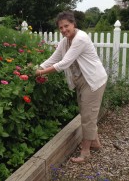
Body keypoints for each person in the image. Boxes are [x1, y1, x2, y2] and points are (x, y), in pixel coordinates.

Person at [35, 11, 107, 163]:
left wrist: (41, 72)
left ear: (74, 24)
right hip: (81, 80)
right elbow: (54, 58)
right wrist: (37, 67)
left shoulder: (80, 38)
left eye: (66, 26)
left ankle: (86, 151)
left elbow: (64, 63)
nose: (63, 30)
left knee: (88, 116)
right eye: (60, 28)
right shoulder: (65, 41)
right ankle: (95, 142)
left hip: (93, 80)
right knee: (86, 113)